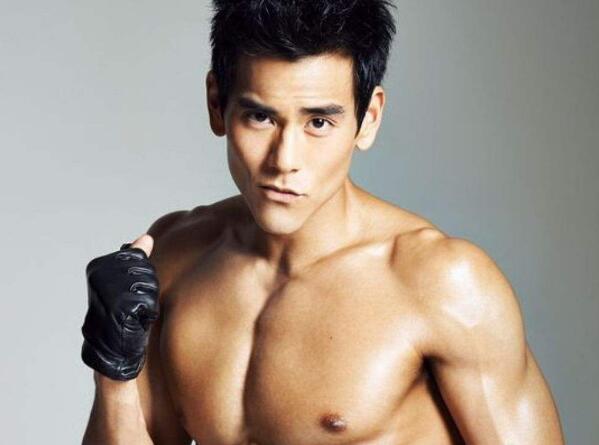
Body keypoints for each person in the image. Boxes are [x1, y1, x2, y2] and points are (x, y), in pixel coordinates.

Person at [81, 1, 565, 444]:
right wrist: (113, 375)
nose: (285, 161)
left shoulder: (442, 283)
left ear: (368, 119)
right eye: (260, 117)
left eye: (318, 123)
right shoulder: (175, 257)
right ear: (216, 104)